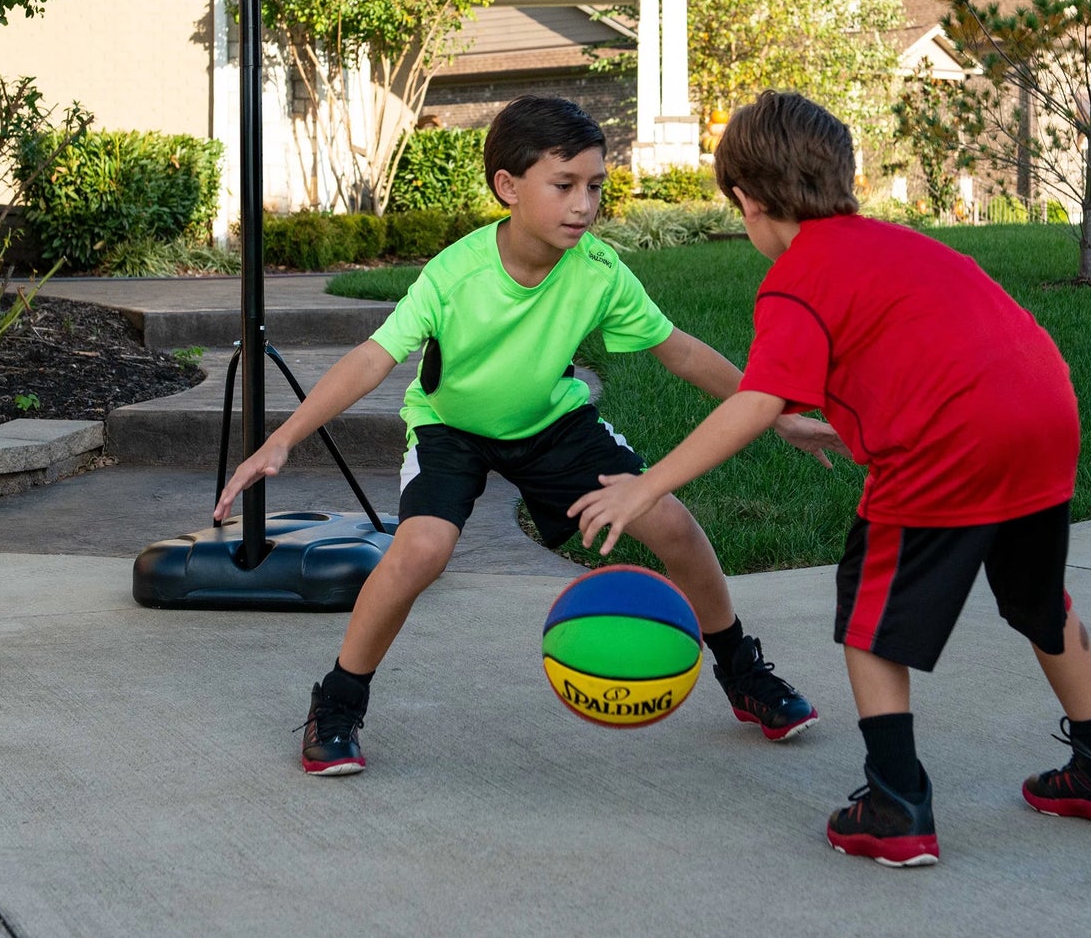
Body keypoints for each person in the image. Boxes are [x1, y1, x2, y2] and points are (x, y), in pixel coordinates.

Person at [570, 90, 1091, 867]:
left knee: (868, 616)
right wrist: (829, 419)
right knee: (1038, 601)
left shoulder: (796, 275)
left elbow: (753, 399)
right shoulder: (897, 243)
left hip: (949, 445)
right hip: (1045, 418)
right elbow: (923, 344)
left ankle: (894, 801)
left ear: (744, 198)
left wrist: (645, 486)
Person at [214, 95, 829, 776]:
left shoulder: (597, 271)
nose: (583, 204)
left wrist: (775, 410)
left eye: (594, 186)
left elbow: (677, 348)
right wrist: (283, 438)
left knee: (671, 523)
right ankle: (337, 699)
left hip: (550, 423)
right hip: (453, 428)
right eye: (563, 185)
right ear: (508, 187)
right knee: (420, 550)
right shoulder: (455, 273)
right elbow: (372, 357)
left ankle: (741, 668)